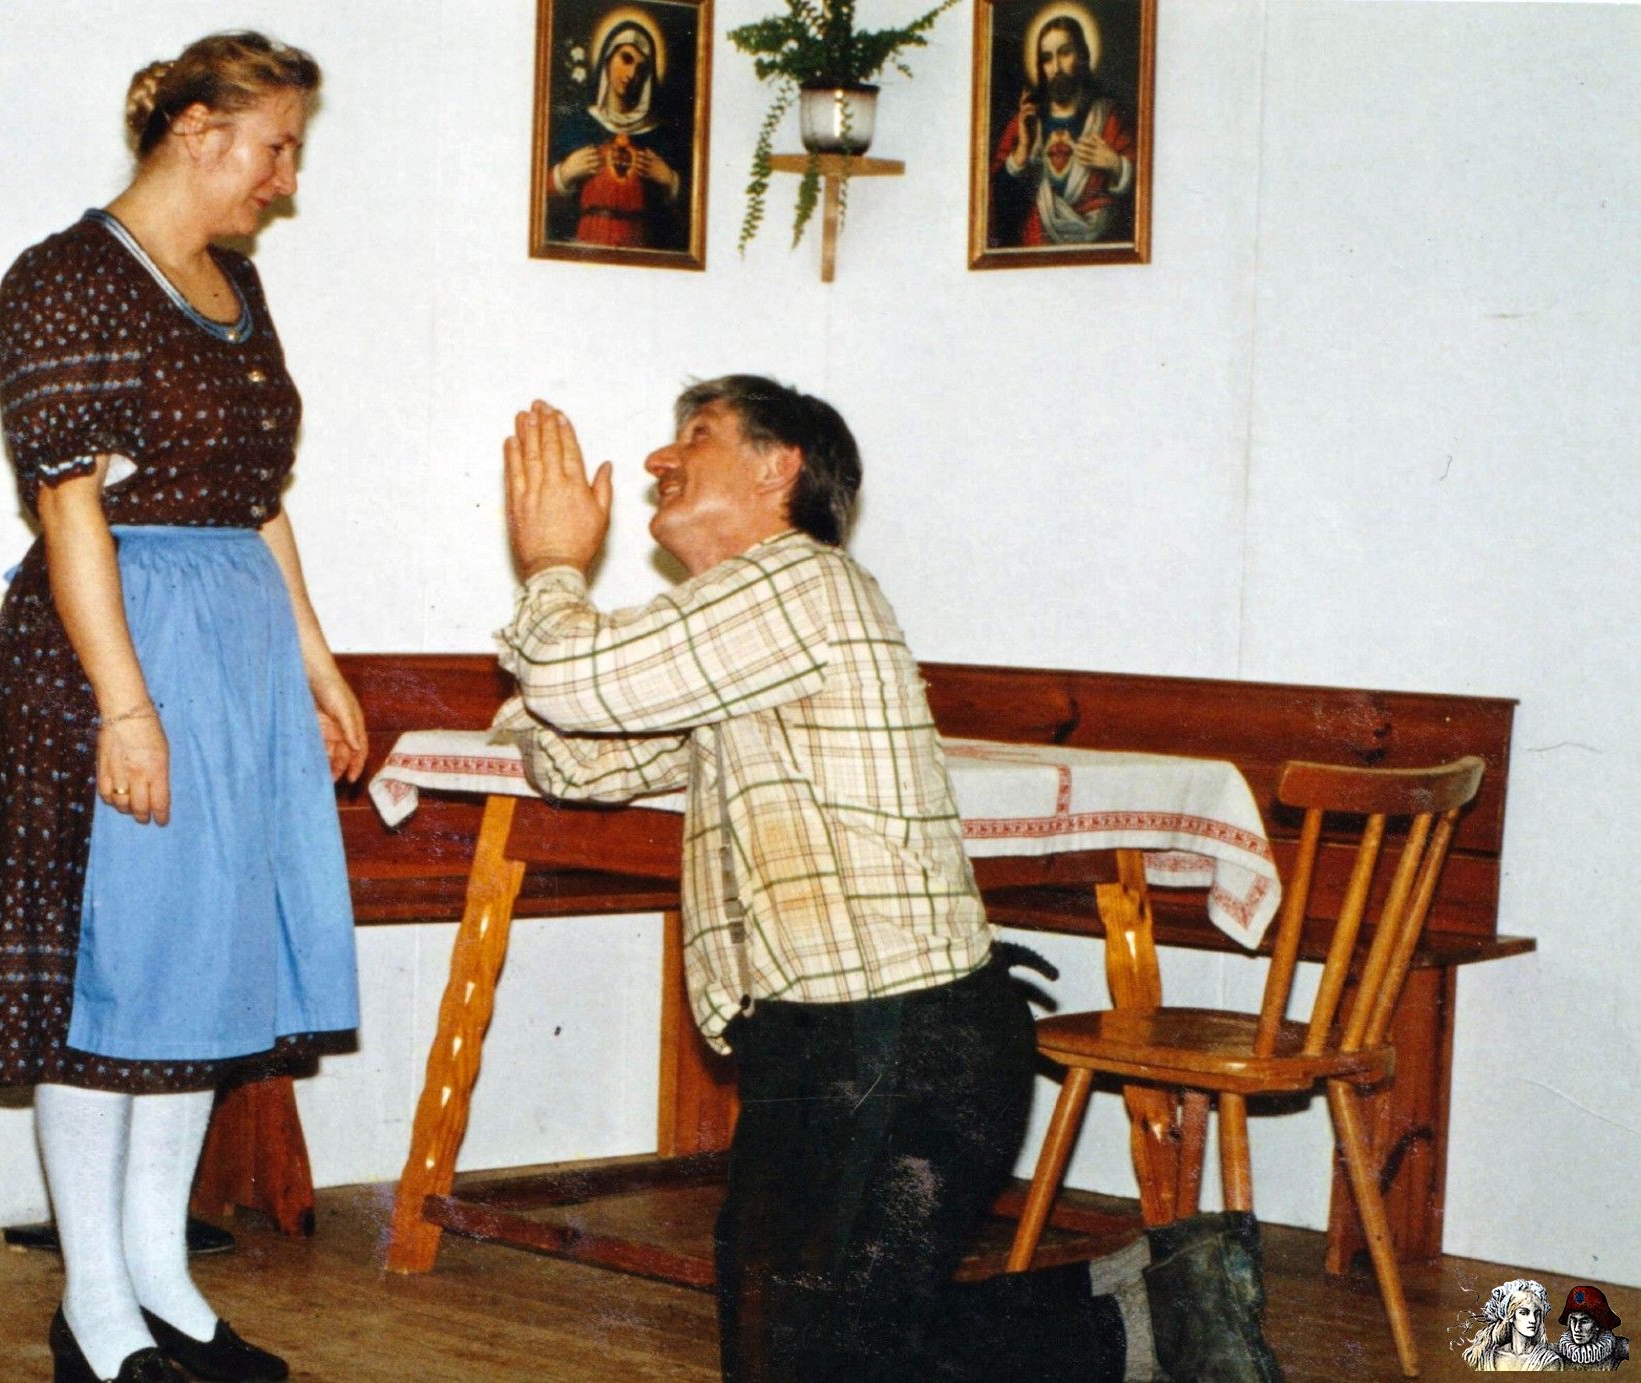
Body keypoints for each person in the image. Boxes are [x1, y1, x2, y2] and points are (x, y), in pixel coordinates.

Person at [491, 378, 1282, 1381]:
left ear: (778, 467)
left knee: (819, 1357)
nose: (658, 459)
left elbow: (570, 682)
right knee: (797, 1350)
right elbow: (581, 760)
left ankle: (1156, 1315)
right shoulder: (740, 632)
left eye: (697, 433)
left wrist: (553, 565)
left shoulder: (796, 585)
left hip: (896, 1044)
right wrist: (551, 685)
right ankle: (1160, 1308)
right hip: (842, 1047)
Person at [0, 31, 363, 1383]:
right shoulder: (63, 280)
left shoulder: (237, 285)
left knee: (201, 969)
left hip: (234, 648)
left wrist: (314, 660)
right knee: (111, 974)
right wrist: (125, 707)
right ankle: (97, 1305)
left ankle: (165, 1284)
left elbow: (257, 497)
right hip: (112, 643)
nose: (285, 179)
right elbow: (70, 507)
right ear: (196, 130)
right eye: (274, 147)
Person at [992, 13, 1136, 246]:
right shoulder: (1025, 124)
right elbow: (995, 205)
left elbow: (1144, 195)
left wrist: (1116, 165)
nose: (1056, 67)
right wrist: (1022, 151)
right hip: (1036, 249)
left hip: (1101, 251)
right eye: (1047, 58)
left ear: (1083, 56)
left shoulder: (1110, 118)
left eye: (1065, 53)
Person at [546, 15, 688, 249]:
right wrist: (564, 173)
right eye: (626, 59)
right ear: (608, 58)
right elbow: (535, 201)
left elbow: (693, 214)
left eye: (641, 68)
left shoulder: (661, 136)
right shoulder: (577, 126)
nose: (631, 74)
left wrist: (670, 181)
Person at [1464, 1278, 1565, 1370]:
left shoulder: (1548, 1360)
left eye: (1537, 1314)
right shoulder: (1486, 1357)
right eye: (1524, 1313)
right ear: (1511, 1316)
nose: (1533, 1320)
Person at [1554, 1285, 1631, 1370]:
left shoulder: (1619, 1347)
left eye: (1584, 1321)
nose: (1577, 1329)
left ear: (1597, 1325)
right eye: (1574, 1321)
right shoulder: (1556, 1352)